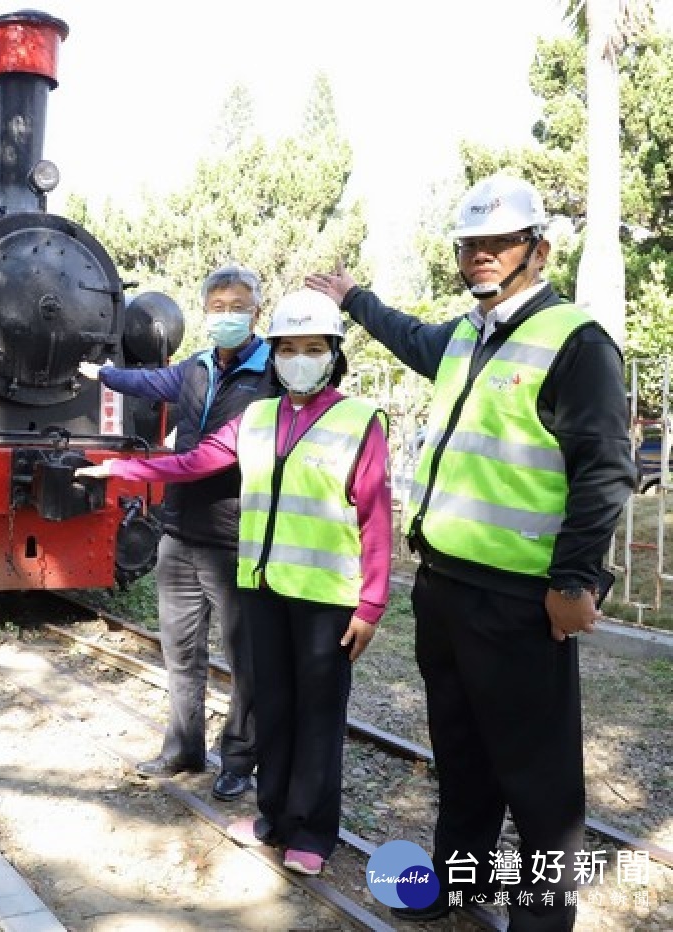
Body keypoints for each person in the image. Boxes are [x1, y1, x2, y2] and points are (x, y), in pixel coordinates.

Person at [305, 174, 634, 930]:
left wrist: (576, 579)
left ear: (537, 248)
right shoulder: (465, 336)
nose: (482, 256)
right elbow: (409, 335)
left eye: (499, 243)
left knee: (539, 778)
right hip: (446, 589)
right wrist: (356, 298)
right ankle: (459, 882)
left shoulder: (575, 343)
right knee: (462, 754)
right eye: (470, 245)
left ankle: (543, 920)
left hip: (520, 600)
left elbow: (606, 469)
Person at [77, 289, 391, 876]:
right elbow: (191, 463)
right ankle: (273, 817)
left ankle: (313, 835)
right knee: (271, 706)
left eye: (314, 348)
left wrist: (372, 603)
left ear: (334, 354)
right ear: (273, 356)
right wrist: (124, 468)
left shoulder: (358, 419)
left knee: (318, 717)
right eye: (289, 348)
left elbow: (376, 517)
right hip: (263, 589)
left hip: (326, 599)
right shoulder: (257, 417)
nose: (301, 358)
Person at [79, 264, 276, 802]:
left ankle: (238, 760)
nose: (226, 316)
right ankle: (185, 747)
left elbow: (208, 460)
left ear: (256, 311)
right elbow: (150, 380)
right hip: (179, 535)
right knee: (181, 653)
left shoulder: (272, 377)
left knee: (245, 663)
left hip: (237, 539)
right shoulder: (194, 368)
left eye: (237, 306)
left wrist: (126, 470)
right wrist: (104, 375)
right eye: (217, 308)